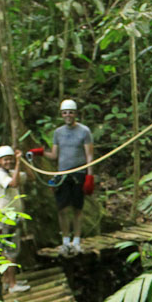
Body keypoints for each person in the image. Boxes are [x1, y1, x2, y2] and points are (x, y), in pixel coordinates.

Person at [28, 98, 94, 256]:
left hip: (79, 174)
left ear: (76, 113)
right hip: (62, 175)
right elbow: (54, 155)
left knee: (77, 208)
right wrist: (38, 152)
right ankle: (65, 241)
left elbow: (89, 155)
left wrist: (90, 177)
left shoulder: (84, 131)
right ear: (61, 114)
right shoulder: (58, 133)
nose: (68, 115)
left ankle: (76, 241)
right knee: (62, 209)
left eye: (71, 112)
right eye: (65, 113)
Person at [0, 145, 30, 294]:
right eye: (5, 160)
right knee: (11, 253)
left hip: (13, 218)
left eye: (10, 159)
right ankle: (13, 285)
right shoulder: (0, 175)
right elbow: (13, 183)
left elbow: (30, 177)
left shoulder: (11, 172)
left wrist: (24, 162)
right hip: (7, 219)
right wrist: (18, 163)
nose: (8, 162)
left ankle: (8, 281)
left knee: (7, 251)